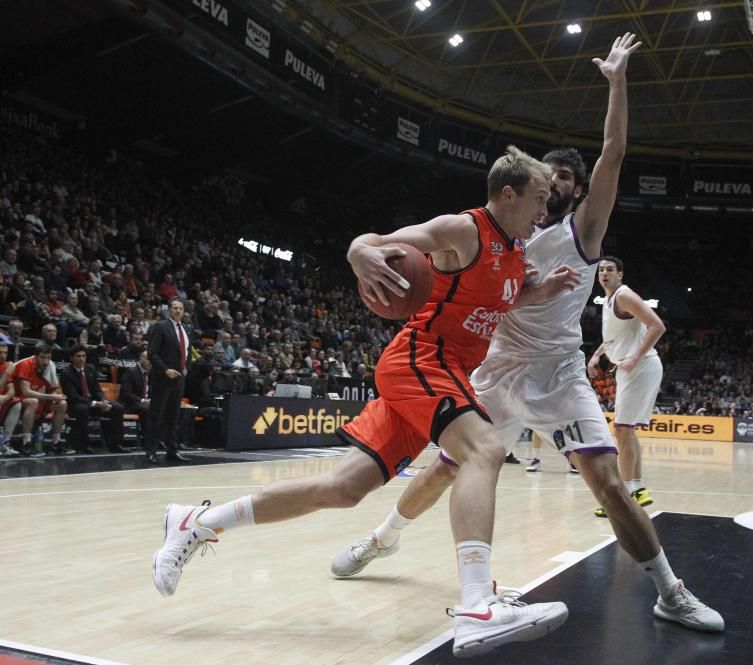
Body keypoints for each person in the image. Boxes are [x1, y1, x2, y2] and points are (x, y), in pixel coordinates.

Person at [331, 34, 723, 634]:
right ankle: (381, 540)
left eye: (564, 178)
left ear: (572, 189)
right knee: (443, 469)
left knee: (608, 483)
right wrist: (368, 248)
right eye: (549, 175)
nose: (555, 183)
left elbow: (614, 154)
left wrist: (617, 82)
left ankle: (670, 590)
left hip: (559, 372)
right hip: (496, 368)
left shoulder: (582, 234)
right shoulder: (502, 233)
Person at [151, 147, 581, 657]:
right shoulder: (464, 229)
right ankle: (476, 605)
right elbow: (379, 242)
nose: (543, 210)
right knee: (484, 450)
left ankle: (197, 523)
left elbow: (495, 300)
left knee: (343, 488)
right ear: (507, 194)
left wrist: (539, 292)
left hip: (438, 371)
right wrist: (359, 250)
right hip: (422, 358)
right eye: (536, 199)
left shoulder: (514, 253)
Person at [586, 255, 666, 516]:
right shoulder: (610, 300)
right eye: (601, 270)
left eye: (609, 269)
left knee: (622, 428)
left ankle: (626, 493)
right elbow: (614, 337)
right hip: (628, 369)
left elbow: (657, 326)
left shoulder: (624, 295)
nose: (604, 273)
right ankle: (636, 490)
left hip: (641, 368)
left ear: (620, 274)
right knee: (625, 429)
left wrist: (634, 356)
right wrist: (598, 354)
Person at [145, 299, 192, 464]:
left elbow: (188, 352)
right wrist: (165, 370)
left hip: (179, 380)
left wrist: (187, 367)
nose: (178, 310)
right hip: (163, 378)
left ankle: (172, 450)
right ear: (169, 310)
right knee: (156, 415)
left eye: (180, 308)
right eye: (174, 308)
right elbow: (152, 353)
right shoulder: (160, 326)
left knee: (173, 417)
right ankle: (150, 451)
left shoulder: (185, 329)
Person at [59, 344, 126, 453]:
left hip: (93, 402)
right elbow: (73, 396)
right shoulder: (66, 373)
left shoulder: (91, 368)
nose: (81, 359)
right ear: (71, 358)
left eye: (83, 356)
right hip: (75, 404)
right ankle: (84, 445)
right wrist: (95, 404)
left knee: (117, 407)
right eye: (78, 356)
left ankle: (116, 444)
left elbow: (97, 389)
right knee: (83, 409)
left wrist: (103, 401)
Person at [12, 342, 70, 456]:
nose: (46, 361)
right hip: (16, 399)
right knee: (33, 402)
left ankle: (56, 443)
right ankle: (26, 443)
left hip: (39, 399)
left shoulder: (50, 366)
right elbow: (26, 392)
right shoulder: (26, 364)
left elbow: (54, 389)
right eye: (42, 357)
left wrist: (56, 395)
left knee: (62, 404)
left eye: (48, 358)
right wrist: (50, 396)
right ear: (36, 357)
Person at [119, 350, 152, 448]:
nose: (150, 362)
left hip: (142, 404)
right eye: (147, 359)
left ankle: (158, 439)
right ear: (140, 359)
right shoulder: (131, 372)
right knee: (148, 410)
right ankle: (147, 441)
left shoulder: (150, 373)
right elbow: (126, 394)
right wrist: (143, 401)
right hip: (129, 404)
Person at [0, 336, 23, 456]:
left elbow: (12, 390)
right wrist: (8, 372)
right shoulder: (8, 368)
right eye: (0, 353)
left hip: (2, 399)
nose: (3, 356)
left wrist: (5, 398)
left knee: (17, 403)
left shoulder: (6, 365)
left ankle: (5, 443)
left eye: (5, 353)